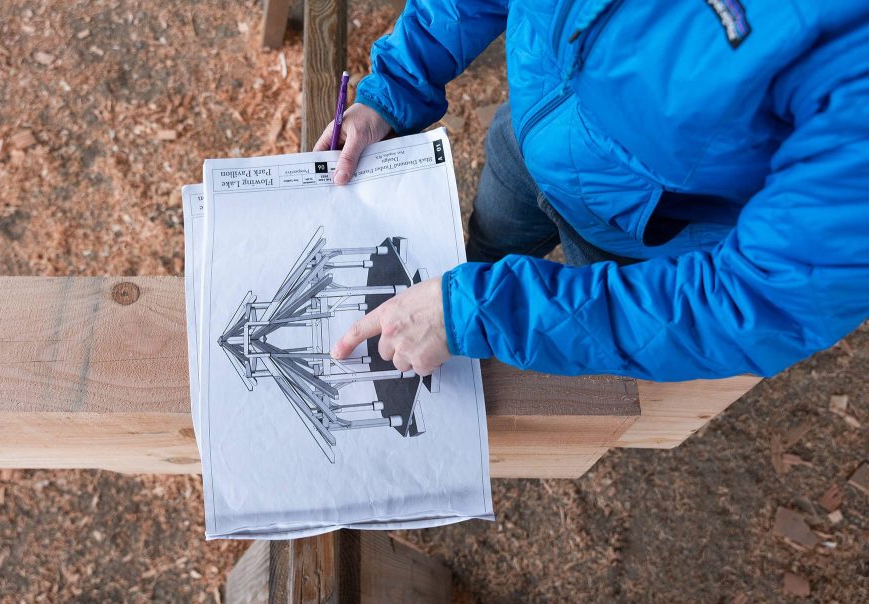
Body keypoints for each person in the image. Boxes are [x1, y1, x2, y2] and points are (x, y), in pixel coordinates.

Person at [319, 1, 869, 381]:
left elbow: (766, 300)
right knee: (489, 242)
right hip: (526, 141)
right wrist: (394, 88)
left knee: (557, 318)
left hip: (638, 242)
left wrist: (482, 312)